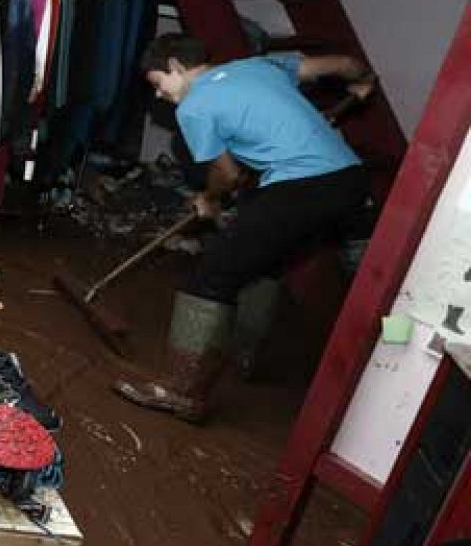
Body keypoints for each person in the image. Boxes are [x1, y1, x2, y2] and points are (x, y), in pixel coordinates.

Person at [114, 34, 376, 423]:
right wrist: (363, 80)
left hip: (301, 186)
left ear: (175, 67)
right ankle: (242, 356)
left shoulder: (195, 107)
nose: (160, 96)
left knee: (211, 276)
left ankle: (181, 391)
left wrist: (210, 199)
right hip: (351, 182)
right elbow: (344, 64)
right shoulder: (261, 65)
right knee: (267, 261)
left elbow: (227, 172)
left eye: (158, 84)